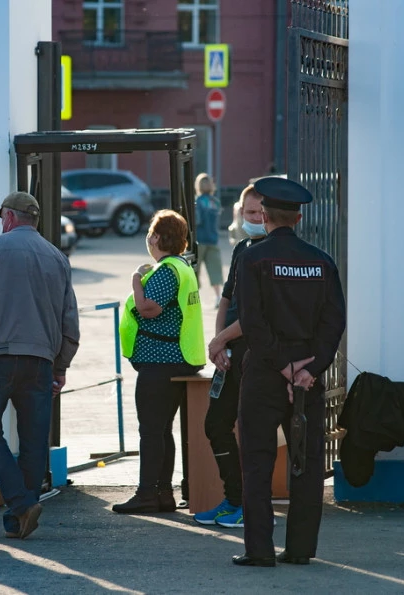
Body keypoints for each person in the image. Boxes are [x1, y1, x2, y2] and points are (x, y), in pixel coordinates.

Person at [0, 191, 80, 540]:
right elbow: (70, 322)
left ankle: (21, 502)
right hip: (39, 362)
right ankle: (21, 512)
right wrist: (61, 366)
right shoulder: (57, 257)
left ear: (8, 217)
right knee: (35, 439)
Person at [233, 177, 345, 567]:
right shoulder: (322, 261)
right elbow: (334, 323)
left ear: (264, 216)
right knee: (308, 463)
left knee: (258, 461)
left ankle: (259, 549)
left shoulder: (252, 259)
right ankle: (300, 549)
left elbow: (252, 321)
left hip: (266, 373)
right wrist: (309, 367)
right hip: (308, 379)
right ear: (298, 217)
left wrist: (281, 365)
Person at [113, 210, 206, 514]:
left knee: (151, 430)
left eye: (151, 233)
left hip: (162, 362)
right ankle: (163, 493)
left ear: (156, 237)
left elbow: (149, 308)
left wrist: (136, 280)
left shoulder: (166, 270)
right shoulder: (183, 266)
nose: (148, 238)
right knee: (162, 429)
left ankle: (147, 493)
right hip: (177, 360)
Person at [194, 185, 267, 529]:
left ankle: (252, 507)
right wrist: (219, 342)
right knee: (216, 425)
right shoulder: (241, 248)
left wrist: (222, 339)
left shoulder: (271, 253)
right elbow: (226, 299)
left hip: (259, 357)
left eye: (261, 214)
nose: (255, 219)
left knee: (257, 434)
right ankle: (233, 500)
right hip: (230, 352)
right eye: (249, 213)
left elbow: (256, 314)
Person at [194, 173, 224, 308]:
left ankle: (195, 298)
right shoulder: (215, 202)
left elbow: (197, 220)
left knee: (195, 270)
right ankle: (218, 297)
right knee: (215, 270)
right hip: (213, 239)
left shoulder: (197, 201)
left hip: (199, 240)